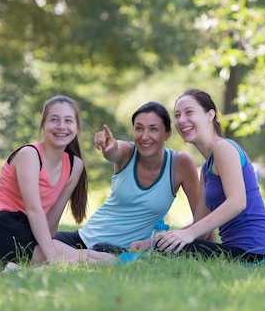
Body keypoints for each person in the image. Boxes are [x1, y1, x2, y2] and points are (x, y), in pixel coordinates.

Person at [0, 95, 116, 269]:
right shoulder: (30, 154)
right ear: (43, 126)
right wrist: (54, 259)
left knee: (103, 259)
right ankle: (29, 267)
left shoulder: (74, 166)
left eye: (68, 121)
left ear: (77, 127)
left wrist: (52, 250)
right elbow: (34, 210)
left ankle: (18, 269)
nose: (61, 126)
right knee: (77, 261)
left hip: (29, 232)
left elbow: (50, 225)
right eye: (54, 120)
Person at [55, 101, 203, 254]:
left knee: (98, 252)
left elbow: (202, 218)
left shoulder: (180, 164)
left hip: (121, 249)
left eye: (153, 129)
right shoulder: (128, 152)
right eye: (139, 128)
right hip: (85, 237)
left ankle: (77, 256)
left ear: (167, 133)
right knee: (35, 244)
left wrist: (154, 241)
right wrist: (109, 148)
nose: (144, 136)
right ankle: (77, 255)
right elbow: (114, 151)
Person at [156, 89, 265, 263]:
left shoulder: (223, 148)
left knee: (173, 249)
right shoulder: (208, 168)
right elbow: (202, 229)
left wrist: (187, 235)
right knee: (166, 246)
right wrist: (156, 240)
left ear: (210, 115)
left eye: (189, 112)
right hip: (236, 251)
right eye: (177, 115)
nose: (182, 120)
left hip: (257, 253)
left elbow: (237, 202)